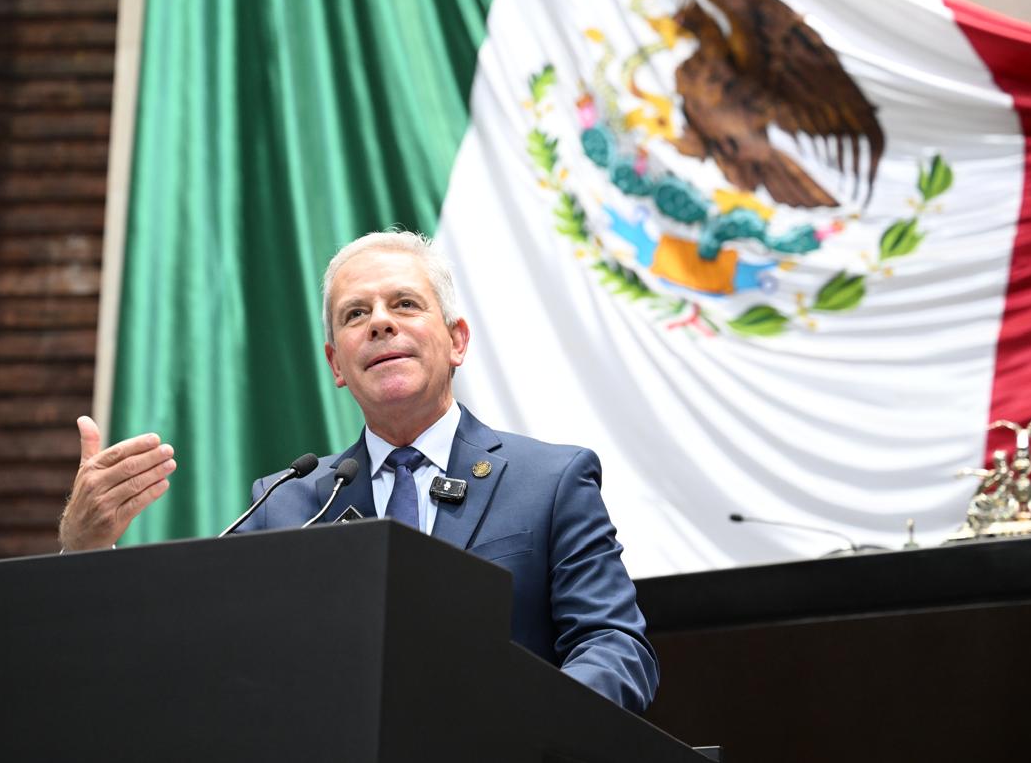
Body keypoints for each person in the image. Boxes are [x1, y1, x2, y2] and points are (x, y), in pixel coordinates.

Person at [58, 230, 659, 713]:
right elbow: (193, 659)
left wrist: (520, 733)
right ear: (337, 365)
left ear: (457, 341)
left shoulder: (551, 482)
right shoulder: (286, 504)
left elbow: (613, 645)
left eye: (405, 304)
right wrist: (87, 550)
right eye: (355, 314)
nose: (380, 323)